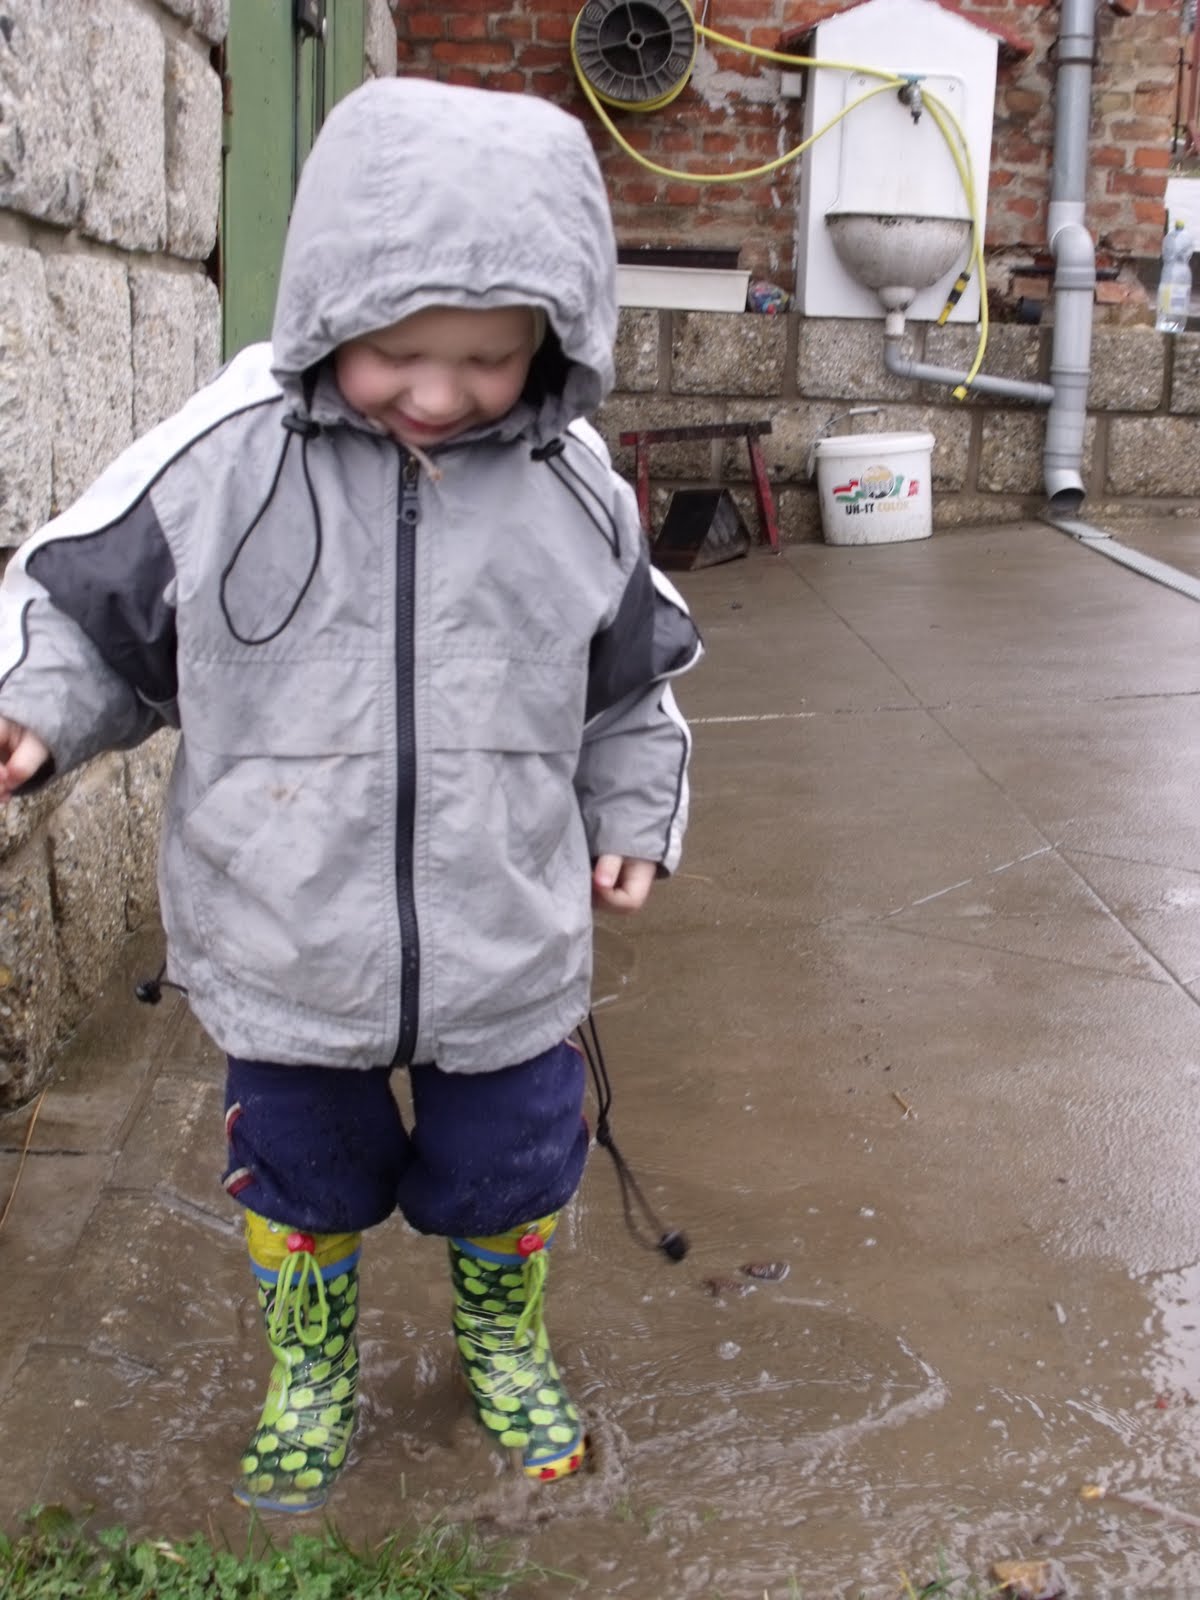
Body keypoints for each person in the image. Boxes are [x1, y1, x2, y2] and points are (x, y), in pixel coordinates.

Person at [0, 76, 701, 1512]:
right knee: (299, 1173)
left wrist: (635, 810)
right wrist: (33, 711)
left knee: (514, 1164)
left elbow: (633, 682)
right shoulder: (225, 454)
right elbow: (86, 610)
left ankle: (502, 1342)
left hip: (505, 940)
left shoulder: (576, 489)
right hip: (283, 935)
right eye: (397, 352)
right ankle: (310, 1368)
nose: (438, 396)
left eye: (489, 359)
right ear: (328, 306)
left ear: (555, 338)